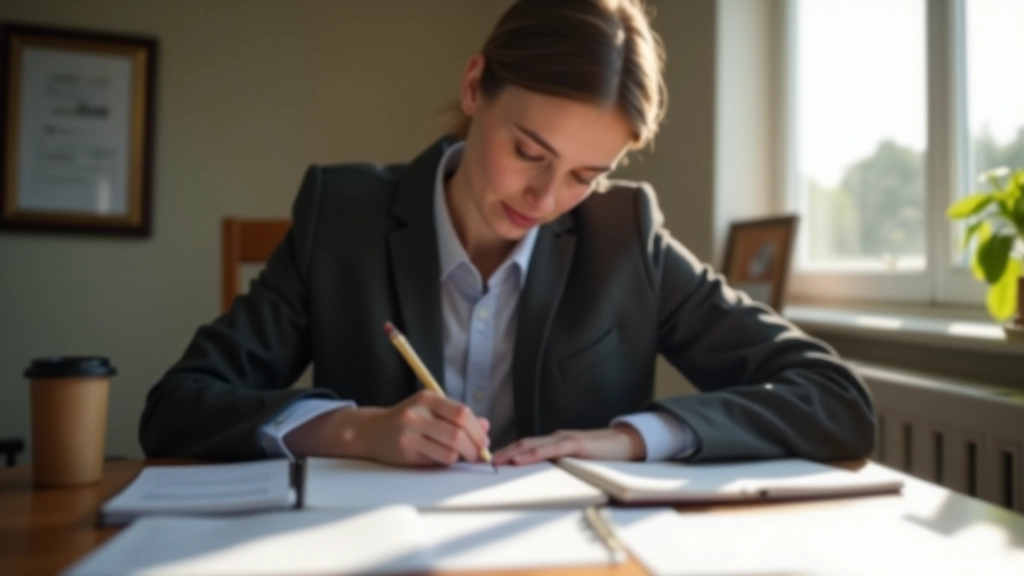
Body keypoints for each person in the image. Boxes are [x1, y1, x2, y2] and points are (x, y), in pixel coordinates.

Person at [140, 0, 875, 467]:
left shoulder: (627, 236)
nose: (547, 198)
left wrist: (630, 438)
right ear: (473, 88)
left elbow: (836, 399)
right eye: (530, 152)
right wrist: (353, 431)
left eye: (586, 174)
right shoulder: (342, 218)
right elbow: (178, 407)